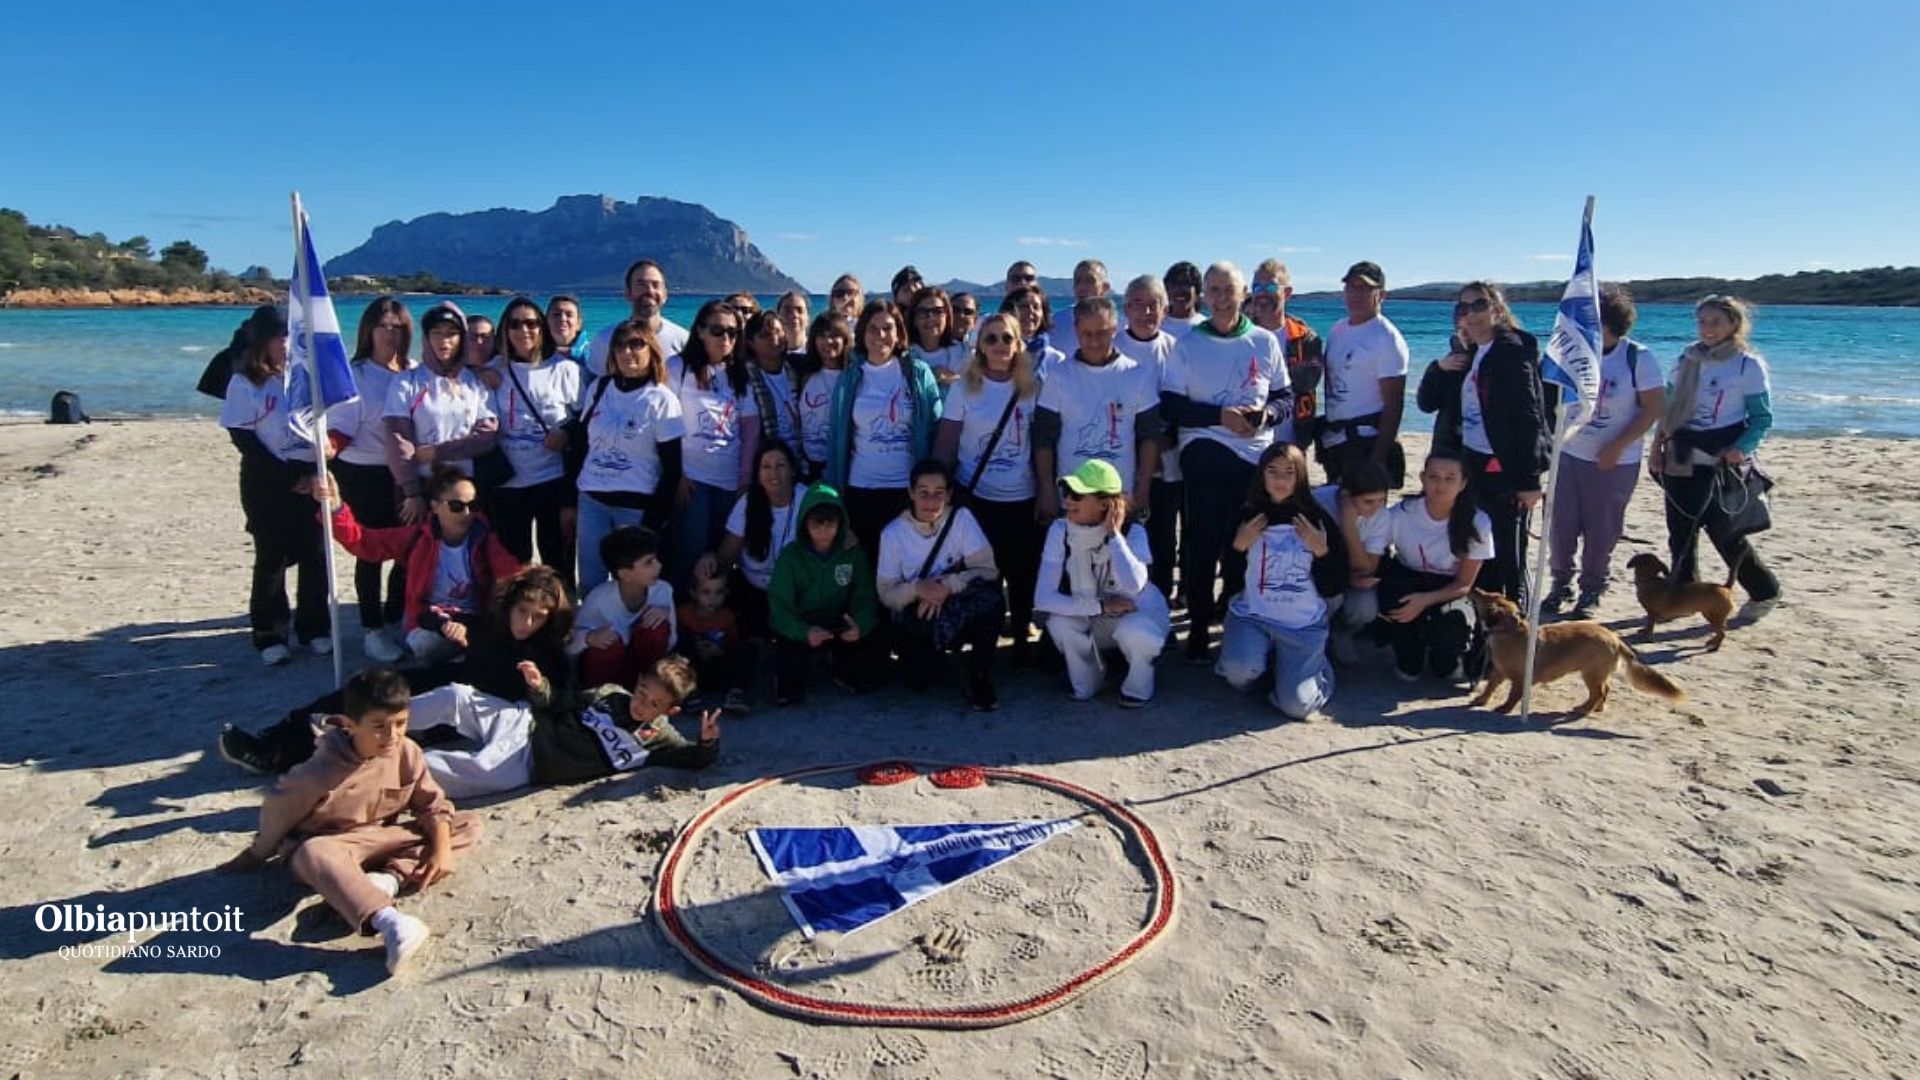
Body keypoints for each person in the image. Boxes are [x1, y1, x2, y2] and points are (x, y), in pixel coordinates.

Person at [220, 667, 483, 975]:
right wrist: (256, 854)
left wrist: (441, 850)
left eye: (400, 724)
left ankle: (385, 881)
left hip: (379, 840)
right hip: (330, 848)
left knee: (465, 824)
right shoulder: (316, 773)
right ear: (349, 724)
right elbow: (277, 814)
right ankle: (390, 922)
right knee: (312, 853)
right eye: (379, 727)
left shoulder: (406, 751)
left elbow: (432, 805)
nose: (392, 735)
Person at [218, 565, 577, 776]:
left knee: (374, 729)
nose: (526, 622)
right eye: (522, 611)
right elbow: (428, 613)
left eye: (537, 617)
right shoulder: (490, 625)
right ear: (510, 605)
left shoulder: (549, 654)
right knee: (366, 689)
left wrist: (537, 685)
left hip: (467, 712)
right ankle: (277, 736)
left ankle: (280, 756)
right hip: (450, 680)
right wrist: (446, 625)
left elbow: (558, 703)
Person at [1158, 261, 1292, 665]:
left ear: (1242, 294)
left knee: (1243, 542)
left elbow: (1284, 397)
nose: (1219, 297)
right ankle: (1198, 624)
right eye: (1212, 290)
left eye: (1227, 290)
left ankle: (1232, 618)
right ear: (1204, 295)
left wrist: (1265, 417)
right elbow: (1172, 405)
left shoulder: (1264, 341)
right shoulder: (1188, 344)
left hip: (1254, 455)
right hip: (1205, 449)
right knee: (1203, 540)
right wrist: (1221, 417)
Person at [412, 655, 721, 799]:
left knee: (477, 768)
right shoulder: (609, 693)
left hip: (531, 764)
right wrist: (539, 686)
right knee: (457, 694)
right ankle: (380, 723)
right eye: (642, 692)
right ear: (637, 681)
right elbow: (560, 702)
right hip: (524, 722)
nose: (641, 704)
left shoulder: (660, 740)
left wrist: (707, 742)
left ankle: (393, 766)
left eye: (654, 703)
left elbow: (694, 759)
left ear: (670, 710)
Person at [1651, 295, 1782, 617]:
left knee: (1725, 532)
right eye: (1702, 322)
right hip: (1681, 454)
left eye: (1715, 322)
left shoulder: (1746, 364)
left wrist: (1742, 448)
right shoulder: (1687, 359)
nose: (1707, 329)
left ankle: (1765, 592)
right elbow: (1666, 408)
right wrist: (1656, 448)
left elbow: (1762, 417)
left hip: (1723, 458)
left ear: (1733, 325)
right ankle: (1682, 597)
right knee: (1680, 532)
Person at [320, 467, 523, 666]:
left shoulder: (484, 536)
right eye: (456, 506)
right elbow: (365, 543)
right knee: (427, 644)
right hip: (429, 620)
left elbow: (510, 571)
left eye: (474, 505)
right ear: (435, 506)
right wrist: (336, 508)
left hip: (474, 619)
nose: (467, 513)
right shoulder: (417, 537)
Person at [1547, 286, 1666, 619]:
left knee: (1601, 531)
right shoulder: (1572, 353)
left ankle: (1592, 590)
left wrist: (1617, 446)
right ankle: (1560, 585)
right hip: (1570, 452)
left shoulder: (1637, 357)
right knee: (1561, 528)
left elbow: (1653, 408)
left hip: (1614, 462)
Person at [220, 306, 330, 664]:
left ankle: (314, 627)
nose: (285, 345)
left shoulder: (306, 377)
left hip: (309, 471)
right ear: (263, 342)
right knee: (272, 558)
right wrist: (290, 479)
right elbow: (244, 440)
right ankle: (270, 633)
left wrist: (315, 471)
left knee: (315, 554)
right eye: (278, 338)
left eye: (290, 337)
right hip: (266, 479)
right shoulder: (246, 382)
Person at [1426, 281, 1548, 602]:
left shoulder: (1509, 349)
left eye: (1479, 305)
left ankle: (1516, 627)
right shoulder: (1478, 352)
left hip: (1503, 469)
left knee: (1508, 555)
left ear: (1496, 307)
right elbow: (1431, 401)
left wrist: (1529, 479)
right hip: (1473, 463)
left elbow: (1528, 414)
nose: (1472, 314)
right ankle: (1487, 630)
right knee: (1481, 546)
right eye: (1463, 309)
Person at [933, 311, 1044, 663]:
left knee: (1023, 574)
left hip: (1021, 496)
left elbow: (1043, 446)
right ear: (979, 345)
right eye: (991, 338)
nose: (999, 345)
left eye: (1007, 338)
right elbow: (946, 445)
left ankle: (1024, 641)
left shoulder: (1033, 388)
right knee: (985, 577)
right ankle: (985, 649)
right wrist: (938, 493)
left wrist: (1046, 490)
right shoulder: (964, 388)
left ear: (1018, 343)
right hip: (977, 496)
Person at [1215, 443, 1346, 719]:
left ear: (1300, 477)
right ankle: (1274, 666)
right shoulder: (1248, 514)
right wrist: (1239, 546)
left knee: (1297, 707)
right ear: (1262, 474)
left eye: (1289, 472)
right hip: (1253, 616)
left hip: (1301, 626)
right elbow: (1230, 576)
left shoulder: (1315, 518)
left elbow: (1334, 585)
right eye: (1272, 471)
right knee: (1239, 675)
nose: (1280, 479)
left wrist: (1321, 552)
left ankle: (1318, 667)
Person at [1033, 460, 1168, 706]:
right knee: (1060, 623)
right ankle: (1089, 681)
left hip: (1136, 613)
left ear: (1106, 503)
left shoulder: (1133, 532)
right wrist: (1101, 606)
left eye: (1077, 495)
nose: (1068, 501)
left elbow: (1135, 585)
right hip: (1097, 612)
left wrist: (1114, 536)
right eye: (1066, 493)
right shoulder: (1059, 530)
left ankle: (1139, 686)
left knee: (1136, 633)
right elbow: (1043, 598)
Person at [875, 460, 1003, 711]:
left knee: (993, 601)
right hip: (918, 614)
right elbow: (886, 593)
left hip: (955, 603)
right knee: (920, 681)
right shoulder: (893, 534)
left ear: (949, 494)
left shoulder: (961, 519)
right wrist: (918, 589)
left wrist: (948, 585)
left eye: (938, 493)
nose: (931, 501)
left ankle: (980, 675)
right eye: (923, 493)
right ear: (911, 493)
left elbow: (988, 571)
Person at [1357, 452, 1494, 682]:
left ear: (1463, 483)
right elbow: (1373, 553)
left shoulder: (1477, 522)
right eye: (1433, 477)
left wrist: (1425, 600)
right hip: (1408, 577)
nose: (1440, 484)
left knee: (1451, 629)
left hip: (1451, 586)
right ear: (1422, 478)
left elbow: (1464, 583)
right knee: (1407, 662)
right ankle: (1406, 652)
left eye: (1450, 478)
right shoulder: (1402, 513)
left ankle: (1449, 660)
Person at [331, 298, 415, 663]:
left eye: (398, 326)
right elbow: (340, 431)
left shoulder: (413, 371)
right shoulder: (355, 375)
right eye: (384, 326)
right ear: (369, 330)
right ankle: (372, 628)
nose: (390, 333)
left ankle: (396, 617)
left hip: (407, 474)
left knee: (409, 550)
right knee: (370, 552)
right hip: (364, 472)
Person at [825, 299, 943, 556]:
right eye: (873, 328)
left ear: (899, 333)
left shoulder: (918, 374)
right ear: (862, 334)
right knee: (864, 569)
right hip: (861, 490)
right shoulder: (849, 378)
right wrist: (835, 498)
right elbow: (836, 439)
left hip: (907, 491)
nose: (881, 335)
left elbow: (936, 430)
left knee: (905, 569)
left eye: (888, 328)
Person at [573, 320, 684, 592]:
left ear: (651, 350)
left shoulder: (661, 399)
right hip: (592, 500)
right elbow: (582, 446)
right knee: (591, 582)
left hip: (635, 507)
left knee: (636, 584)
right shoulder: (599, 388)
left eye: (637, 344)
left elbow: (672, 468)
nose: (628, 351)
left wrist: (654, 522)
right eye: (620, 345)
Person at [1033, 297, 1163, 521]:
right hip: (1072, 500)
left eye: (1102, 332)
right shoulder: (1059, 376)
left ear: (1115, 329)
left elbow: (1149, 438)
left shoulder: (1137, 375)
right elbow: (1043, 438)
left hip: (1119, 499)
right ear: (1076, 331)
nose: (1094, 341)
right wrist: (1046, 491)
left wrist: (1142, 492)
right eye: (1087, 333)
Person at [485, 296, 583, 589]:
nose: (524, 330)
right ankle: (515, 622)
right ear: (505, 330)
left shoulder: (564, 370)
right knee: (514, 562)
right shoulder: (493, 371)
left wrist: (566, 431)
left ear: (542, 328)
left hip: (551, 479)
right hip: (508, 483)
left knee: (557, 559)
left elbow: (586, 422)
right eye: (515, 324)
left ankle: (561, 619)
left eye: (532, 323)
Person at [666, 300, 756, 587]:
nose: (726, 338)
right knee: (689, 553)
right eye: (718, 330)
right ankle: (680, 618)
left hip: (729, 481)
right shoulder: (678, 367)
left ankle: (717, 621)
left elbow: (750, 431)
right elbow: (665, 425)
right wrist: (676, 476)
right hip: (693, 479)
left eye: (733, 332)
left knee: (721, 556)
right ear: (701, 330)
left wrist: (744, 481)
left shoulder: (740, 374)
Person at [767, 484, 882, 705]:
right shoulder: (790, 557)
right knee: (788, 689)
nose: (824, 528)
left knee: (871, 670)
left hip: (840, 625)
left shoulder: (853, 554)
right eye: (816, 522)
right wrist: (803, 631)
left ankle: (839, 667)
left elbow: (865, 598)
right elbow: (779, 608)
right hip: (803, 626)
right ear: (804, 523)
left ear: (841, 522)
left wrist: (860, 625)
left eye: (831, 521)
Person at [383, 303, 499, 511]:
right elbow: (398, 439)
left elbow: (486, 438)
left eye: (452, 333)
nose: (444, 341)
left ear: (462, 339)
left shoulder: (475, 383)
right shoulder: (406, 382)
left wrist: (438, 452)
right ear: (427, 338)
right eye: (436, 333)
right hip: (420, 486)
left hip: (465, 488)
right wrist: (411, 492)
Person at [696, 440, 807, 640]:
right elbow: (726, 556)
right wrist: (710, 560)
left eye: (780, 465)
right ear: (757, 474)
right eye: (766, 467)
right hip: (754, 591)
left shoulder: (808, 499)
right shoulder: (747, 502)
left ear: (792, 469)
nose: (773, 473)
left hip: (795, 594)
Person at [1117, 275, 1184, 602]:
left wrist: (1162, 440)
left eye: (1153, 304)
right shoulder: (1113, 346)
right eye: (1137, 304)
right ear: (1126, 308)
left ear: (1165, 309)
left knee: (1162, 537)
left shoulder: (1176, 349)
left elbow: (1182, 400)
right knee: (1124, 536)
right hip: (1123, 461)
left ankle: (1160, 604)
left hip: (1169, 461)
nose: (1145, 311)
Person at [1320, 261, 1409, 486]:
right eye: (1351, 287)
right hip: (1335, 439)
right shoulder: (1337, 329)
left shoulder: (1386, 338)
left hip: (1365, 441)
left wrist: (1378, 458)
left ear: (1382, 294)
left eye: (1365, 288)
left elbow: (1394, 404)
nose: (1356, 294)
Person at [570, 525, 676, 691]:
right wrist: (589, 637)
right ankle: (600, 701)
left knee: (657, 627)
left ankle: (648, 694)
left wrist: (665, 616)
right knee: (607, 644)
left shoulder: (663, 591)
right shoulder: (599, 599)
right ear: (625, 574)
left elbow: (671, 642)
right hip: (604, 673)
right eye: (649, 562)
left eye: (655, 559)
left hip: (641, 671)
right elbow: (570, 645)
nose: (658, 565)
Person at [1311, 458, 1393, 663]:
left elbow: (1367, 568)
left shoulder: (1381, 517)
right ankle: (1313, 638)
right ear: (1346, 494)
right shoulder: (1318, 502)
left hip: (1349, 577)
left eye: (1381, 500)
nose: (1375, 508)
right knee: (1331, 596)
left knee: (1364, 607)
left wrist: (1350, 527)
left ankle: (1341, 633)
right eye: (1368, 501)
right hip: (1317, 578)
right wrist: (1345, 578)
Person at [1249, 260, 1325, 450]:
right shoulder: (1242, 335)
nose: (1263, 293)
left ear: (1287, 292)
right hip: (1248, 440)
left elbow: (1306, 384)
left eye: (1271, 286)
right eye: (1257, 287)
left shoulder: (1306, 338)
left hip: (1292, 440)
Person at [588, 259, 689, 370]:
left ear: (665, 294)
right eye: (641, 285)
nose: (650, 291)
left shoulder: (683, 340)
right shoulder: (605, 340)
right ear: (627, 292)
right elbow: (596, 384)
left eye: (656, 285)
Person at [736, 310, 803, 470]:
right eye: (765, 335)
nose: (774, 339)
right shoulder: (743, 376)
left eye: (778, 332)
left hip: (801, 458)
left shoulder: (799, 367)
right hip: (766, 462)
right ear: (751, 342)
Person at [679, 570, 751, 714]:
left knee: (747, 648)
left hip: (717, 666)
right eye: (706, 592)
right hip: (693, 669)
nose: (713, 598)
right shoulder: (683, 613)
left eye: (719, 593)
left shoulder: (726, 616)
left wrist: (720, 650)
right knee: (681, 645)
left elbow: (733, 645)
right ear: (694, 593)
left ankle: (735, 694)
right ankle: (689, 694)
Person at [797, 313, 852, 480]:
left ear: (845, 339)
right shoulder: (805, 375)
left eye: (835, 336)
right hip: (808, 467)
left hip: (842, 467)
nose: (828, 342)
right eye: (822, 336)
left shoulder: (852, 377)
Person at [907, 285, 969, 383]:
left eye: (937, 311)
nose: (931, 318)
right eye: (923, 312)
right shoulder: (905, 356)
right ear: (914, 319)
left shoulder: (963, 352)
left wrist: (952, 378)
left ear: (947, 317)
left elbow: (979, 387)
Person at [1050, 258, 1110, 359]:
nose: (1082, 287)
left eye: (1090, 281)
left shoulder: (1120, 326)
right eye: (1078, 281)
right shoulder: (1055, 323)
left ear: (1105, 288)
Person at [1001, 284, 1065, 374]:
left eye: (1036, 307)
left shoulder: (1056, 360)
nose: (1031, 311)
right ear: (1009, 311)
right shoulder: (997, 353)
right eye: (1024, 306)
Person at [1161, 261, 1206, 340]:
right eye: (1174, 284)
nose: (1179, 289)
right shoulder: (1157, 325)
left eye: (1186, 284)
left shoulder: (1206, 327)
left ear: (1197, 291)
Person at [546, 294, 590, 364]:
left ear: (579, 324)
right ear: (546, 321)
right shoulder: (534, 353)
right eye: (556, 314)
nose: (562, 319)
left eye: (569, 315)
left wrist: (571, 352)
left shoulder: (593, 352)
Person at [775, 290, 811, 359]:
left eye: (800, 310)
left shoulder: (818, 353)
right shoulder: (769, 355)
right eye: (787, 310)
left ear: (808, 319)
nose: (794, 315)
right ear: (777, 317)